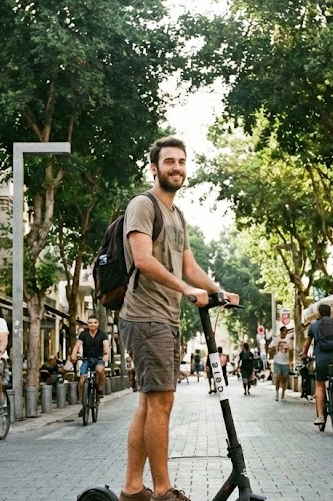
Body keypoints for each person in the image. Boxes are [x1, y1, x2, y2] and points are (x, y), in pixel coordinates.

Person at [118, 136, 239, 501]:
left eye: (182, 162)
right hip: (145, 315)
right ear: (155, 168)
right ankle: (163, 490)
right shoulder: (143, 205)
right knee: (161, 401)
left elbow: (188, 265)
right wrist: (185, 290)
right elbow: (142, 259)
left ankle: (133, 488)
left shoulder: (177, 215)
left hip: (166, 317)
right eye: (169, 161)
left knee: (150, 401)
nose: (177, 168)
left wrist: (218, 291)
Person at [302, 304, 333, 426]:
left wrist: (304, 354)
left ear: (319, 313)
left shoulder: (314, 325)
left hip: (322, 359)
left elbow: (307, 343)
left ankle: (321, 416)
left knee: (320, 384)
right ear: (330, 312)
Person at [70, 315, 110, 418]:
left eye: (94, 322)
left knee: (100, 369)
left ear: (98, 324)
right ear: (88, 324)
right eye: (90, 323)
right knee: (82, 380)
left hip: (98, 359)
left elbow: (106, 345)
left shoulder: (102, 334)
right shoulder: (83, 334)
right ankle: (82, 401)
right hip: (86, 359)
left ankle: (100, 389)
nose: (92, 324)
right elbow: (77, 345)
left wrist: (106, 354)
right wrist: (74, 354)